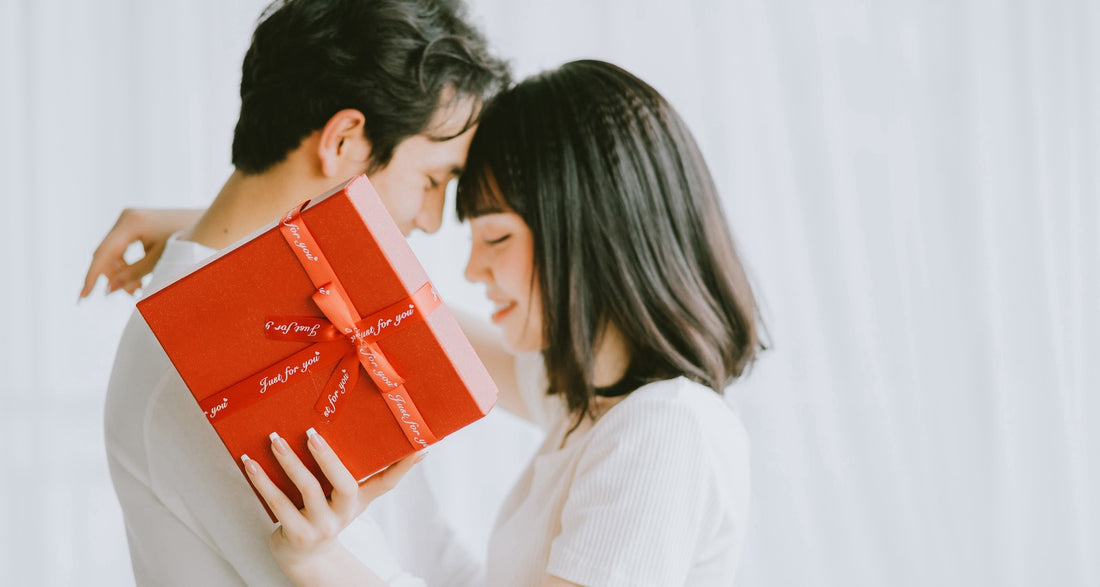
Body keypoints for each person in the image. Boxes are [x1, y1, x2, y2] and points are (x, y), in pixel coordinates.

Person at [239, 59, 761, 586]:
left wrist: (319, 561)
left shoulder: (663, 428)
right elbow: (408, 318)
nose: (472, 269)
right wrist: (221, 236)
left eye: (497, 238)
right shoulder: (589, 402)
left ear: (590, 234)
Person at [89, 0, 510, 585]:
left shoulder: (285, 306)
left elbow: (428, 550)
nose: (433, 219)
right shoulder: (211, 359)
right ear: (344, 140)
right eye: (432, 180)